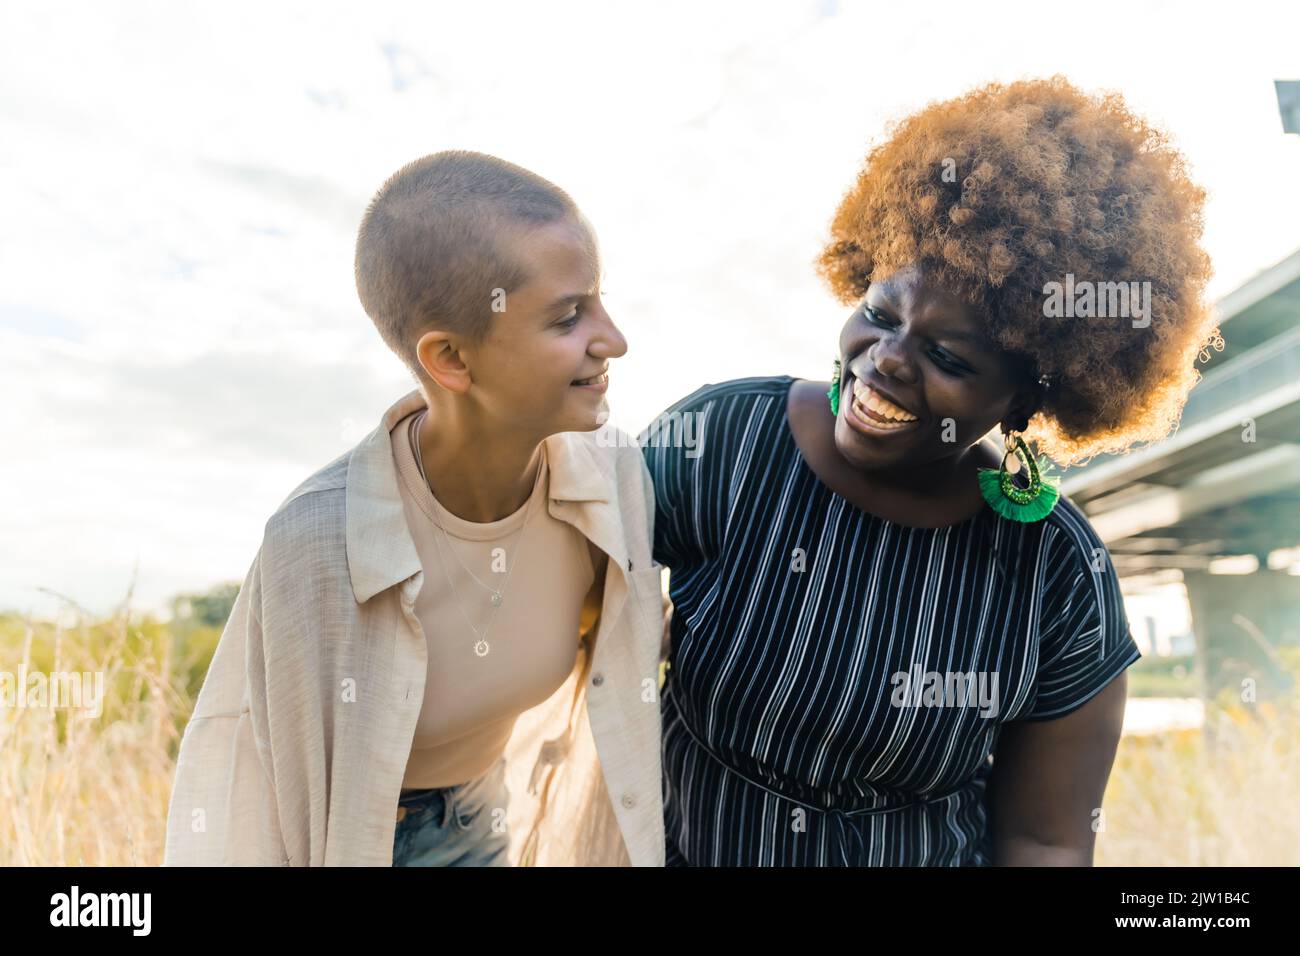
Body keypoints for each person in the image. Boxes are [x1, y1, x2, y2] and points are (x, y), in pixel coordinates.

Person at [641, 76, 1221, 866]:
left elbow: (1045, 841)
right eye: (880, 316)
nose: (883, 363)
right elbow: (557, 594)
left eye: (947, 356)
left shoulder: (1054, 572)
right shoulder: (722, 440)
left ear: (1025, 396)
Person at [164, 151, 668, 867]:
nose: (613, 339)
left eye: (598, 299)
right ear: (451, 361)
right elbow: (262, 787)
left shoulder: (610, 484)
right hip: (357, 842)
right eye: (568, 317)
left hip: (483, 818)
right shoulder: (317, 545)